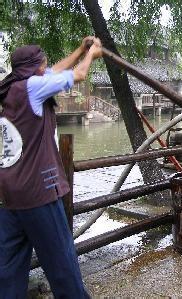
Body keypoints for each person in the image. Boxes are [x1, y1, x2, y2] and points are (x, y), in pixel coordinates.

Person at [0, 37, 102, 298]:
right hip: (38, 195)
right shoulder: (32, 88)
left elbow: (53, 72)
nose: (46, 70)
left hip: (10, 197)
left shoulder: (11, 88)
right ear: (34, 68)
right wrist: (92, 55)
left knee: (8, 273)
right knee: (63, 267)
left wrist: (80, 49)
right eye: (42, 66)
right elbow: (77, 74)